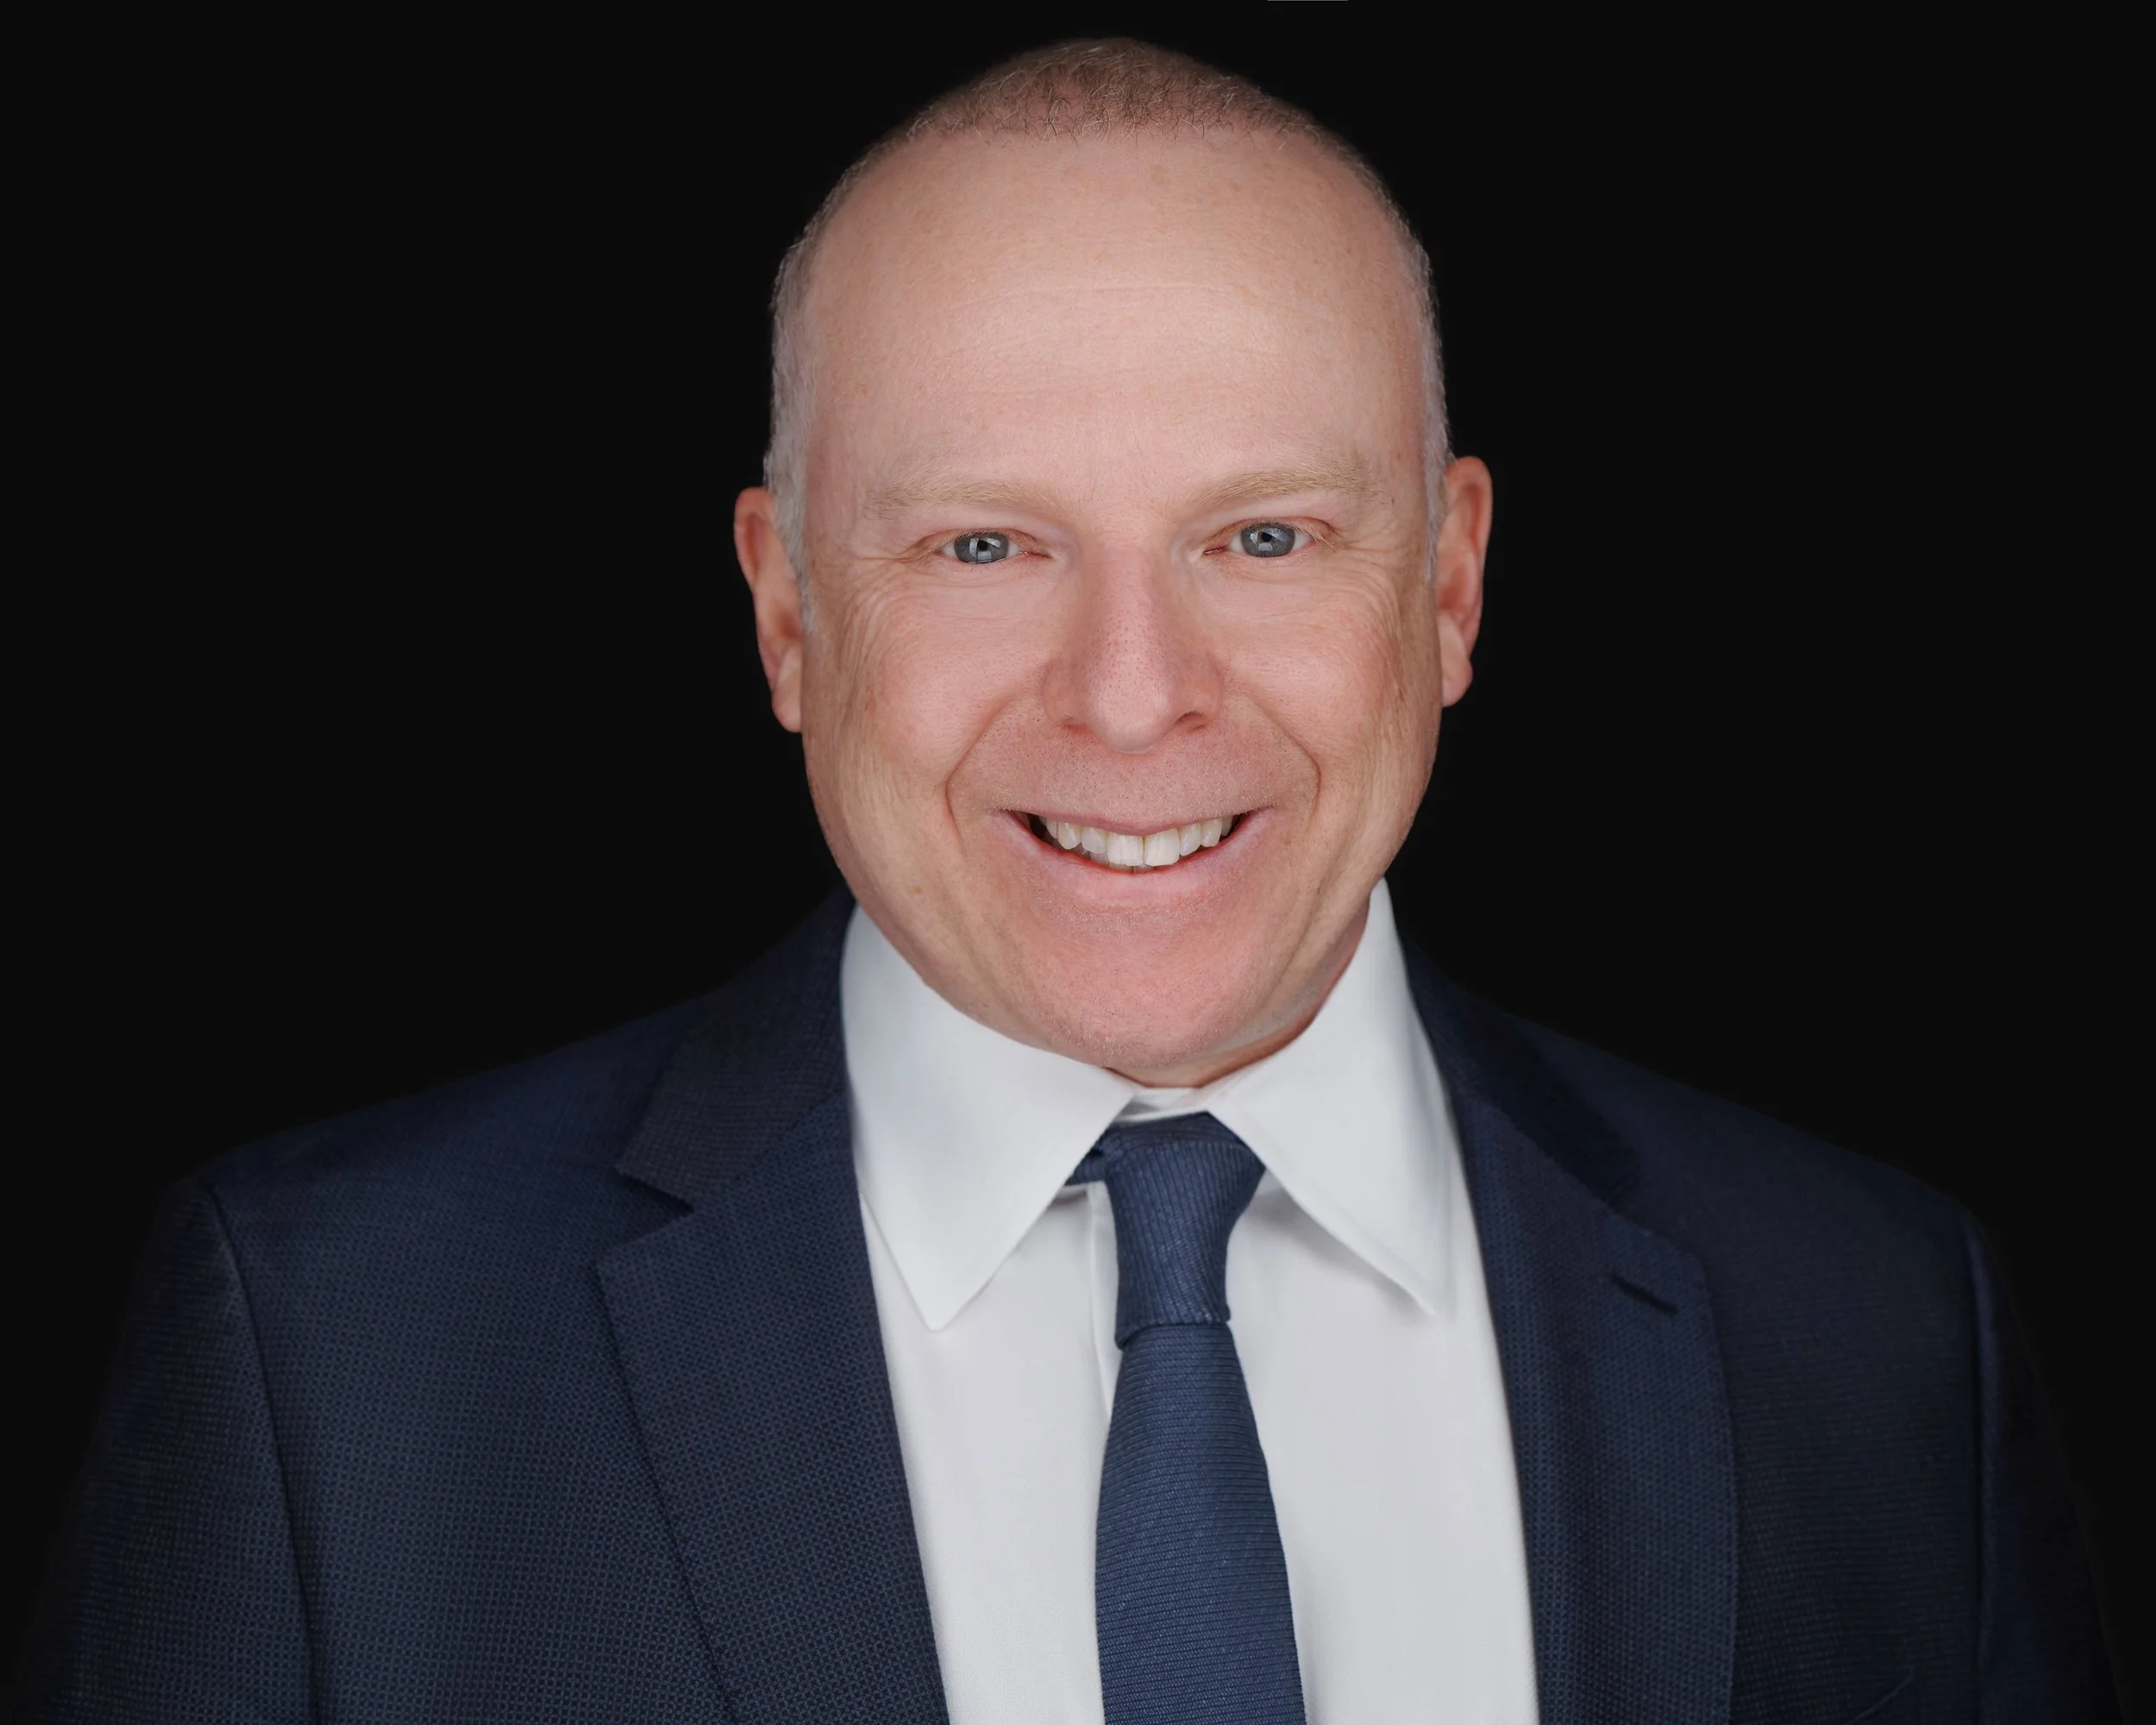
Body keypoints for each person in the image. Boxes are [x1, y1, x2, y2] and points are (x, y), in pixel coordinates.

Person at [22, 39, 2115, 1724]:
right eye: (983, 545)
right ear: (784, 612)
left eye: (1265, 538)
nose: (1133, 698)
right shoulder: (328, 1354)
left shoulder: (1866, 1325)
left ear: (1452, 585)